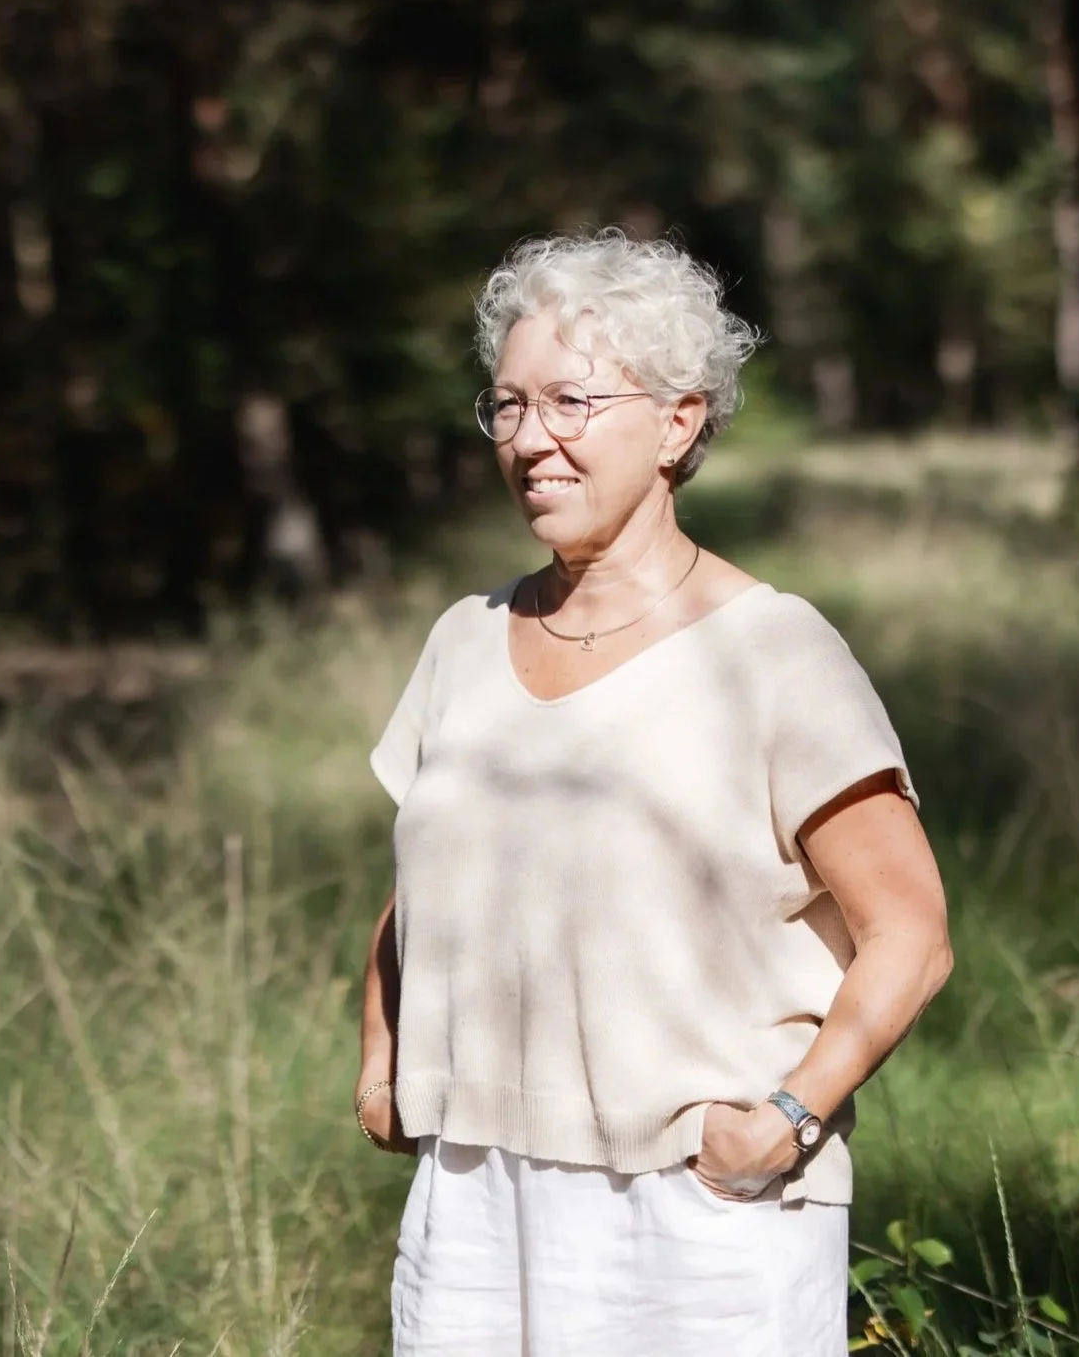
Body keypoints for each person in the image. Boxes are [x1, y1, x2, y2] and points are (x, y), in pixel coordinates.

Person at [355, 229, 955, 1354]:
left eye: (570, 402)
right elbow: (425, 870)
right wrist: (382, 1052)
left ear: (678, 422)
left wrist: (785, 1119)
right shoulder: (463, 639)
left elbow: (911, 933)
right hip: (475, 1198)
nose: (531, 439)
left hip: (694, 1211)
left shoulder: (774, 649)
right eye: (508, 406)